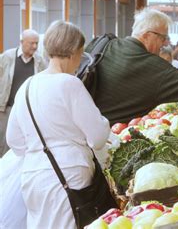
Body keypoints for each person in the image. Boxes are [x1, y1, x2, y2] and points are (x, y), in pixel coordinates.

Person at [6, 21, 110, 228]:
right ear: (74, 52)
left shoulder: (27, 86)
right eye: (81, 54)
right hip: (69, 175)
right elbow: (98, 137)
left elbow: (14, 141)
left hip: (33, 176)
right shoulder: (69, 84)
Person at [0, 29, 47, 157]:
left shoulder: (40, 61)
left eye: (36, 43)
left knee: (23, 143)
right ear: (22, 42)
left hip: (27, 110)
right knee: (3, 143)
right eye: (31, 43)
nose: (35, 46)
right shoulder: (7, 57)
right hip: (6, 109)